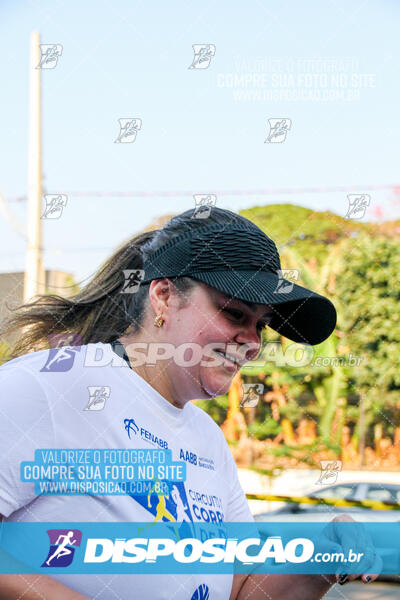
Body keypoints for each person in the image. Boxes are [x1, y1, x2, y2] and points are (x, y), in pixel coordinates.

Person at [0, 207, 378, 599]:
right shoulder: (55, 386)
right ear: (163, 296)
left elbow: (240, 591)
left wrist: (320, 562)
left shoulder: (208, 441)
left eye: (261, 325)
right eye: (234, 313)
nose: (252, 343)